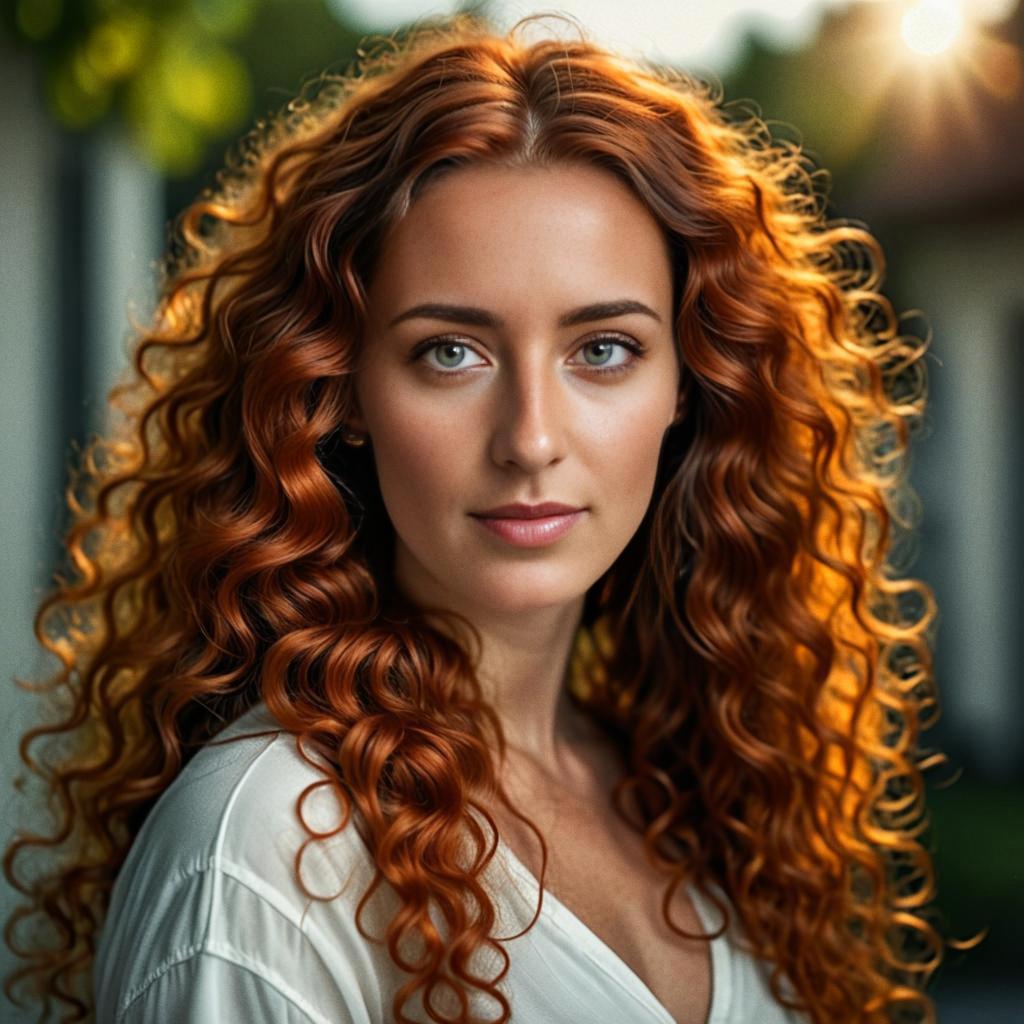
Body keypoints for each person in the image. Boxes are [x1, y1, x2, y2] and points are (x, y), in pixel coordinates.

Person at [3, 12, 963, 1024]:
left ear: (690, 384)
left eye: (602, 350)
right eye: (450, 352)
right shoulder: (264, 850)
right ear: (341, 393)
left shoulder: (685, 789)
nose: (531, 438)